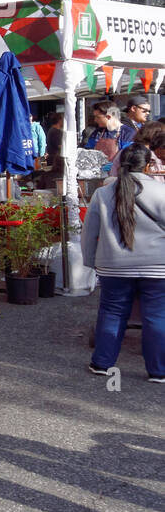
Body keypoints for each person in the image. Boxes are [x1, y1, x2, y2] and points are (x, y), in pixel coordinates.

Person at [84, 144, 165, 382]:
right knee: (156, 316)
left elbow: (90, 232)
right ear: (149, 165)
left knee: (112, 311)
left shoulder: (103, 193)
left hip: (113, 265)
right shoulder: (161, 191)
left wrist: (90, 262)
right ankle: (158, 371)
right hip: (157, 265)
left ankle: (102, 363)